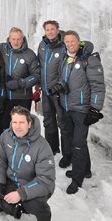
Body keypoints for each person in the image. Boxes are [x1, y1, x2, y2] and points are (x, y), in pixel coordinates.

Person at [0, 106, 55, 221]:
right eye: (14, 122)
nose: (17, 126)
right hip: (13, 181)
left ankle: (43, 217)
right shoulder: (6, 136)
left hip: (33, 185)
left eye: (21, 122)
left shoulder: (42, 146)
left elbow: (45, 180)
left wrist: (21, 194)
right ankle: (13, 207)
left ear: (29, 123)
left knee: (34, 205)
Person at [53, 31, 105, 194]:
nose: (69, 44)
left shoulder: (89, 59)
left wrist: (95, 109)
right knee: (76, 141)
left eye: (72, 41)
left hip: (81, 110)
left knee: (78, 144)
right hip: (67, 106)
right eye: (67, 42)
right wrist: (59, 86)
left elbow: (98, 86)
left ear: (78, 41)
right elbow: (64, 78)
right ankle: (85, 170)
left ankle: (77, 179)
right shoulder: (65, 58)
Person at [0, 27, 40, 139]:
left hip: (23, 97)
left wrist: (20, 83)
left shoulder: (30, 54)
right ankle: (0, 149)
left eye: (18, 39)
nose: (16, 42)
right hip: (6, 97)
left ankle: (23, 150)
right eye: (13, 39)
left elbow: (36, 75)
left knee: (22, 126)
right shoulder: (2, 48)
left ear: (23, 39)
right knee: (3, 125)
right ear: (9, 39)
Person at [37, 20, 67, 155]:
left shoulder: (64, 45)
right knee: (48, 120)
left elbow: (67, 68)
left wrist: (59, 85)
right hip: (45, 90)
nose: (50, 32)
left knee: (63, 122)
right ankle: (52, 148)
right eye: (47, 30)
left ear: (58, 29)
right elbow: (40, 65)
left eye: (52, 29)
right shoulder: (42, 45)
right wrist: (38, 85)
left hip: (59, 90)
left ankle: (67, 153)